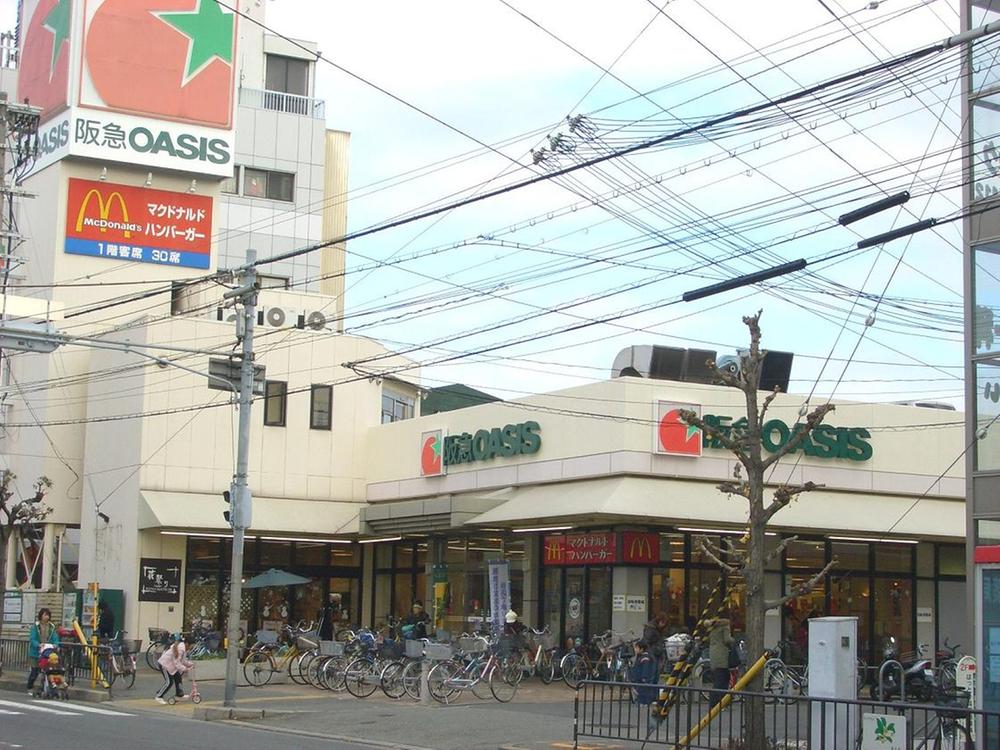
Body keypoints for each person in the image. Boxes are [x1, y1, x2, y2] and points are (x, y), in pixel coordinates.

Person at [27, 607, 60, 695]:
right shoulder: (36, 626)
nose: (47, 617)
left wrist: (56, 644)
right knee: (35, 671)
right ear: (41, 615)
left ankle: (43, 688)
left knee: (46, 671)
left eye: (48, 615)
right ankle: (30, 686)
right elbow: (32, 638)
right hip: (35, 652)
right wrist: (38, 644)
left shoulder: (51, 627)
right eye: (45, 615)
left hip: (47, 652)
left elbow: (55, 638)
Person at [155, 635, 193, 704]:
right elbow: (177, 663)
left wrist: (191, 664)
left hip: (171, 667)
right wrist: (186, 669)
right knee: (169, 682)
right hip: (164, 665)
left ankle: (179, 695)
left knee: (178, 677)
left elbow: (183, 661)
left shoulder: (183, 649)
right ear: (187, 644)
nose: (191, 648)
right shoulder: (180, 649)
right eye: (191, 646)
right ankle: (159, 696)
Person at [707, 617, 732, 708]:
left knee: (718, 679)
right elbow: (727, 640)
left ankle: (718, 702)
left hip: (713, 654)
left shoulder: (713, 627)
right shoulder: (725, 626)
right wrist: (733, 640)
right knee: (722, 680)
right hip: (722, 655)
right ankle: (717, 703)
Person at [630, 639, 659, 705]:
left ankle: (644, 702)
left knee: (644, 691)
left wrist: (644, 677)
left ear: (642, 649)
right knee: (642, 691)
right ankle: (643, 702)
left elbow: (645, 669)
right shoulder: (644, 657)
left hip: (643, 679)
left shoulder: (645, 658)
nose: (635, 650)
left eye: (636, 648)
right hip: (642, 679)